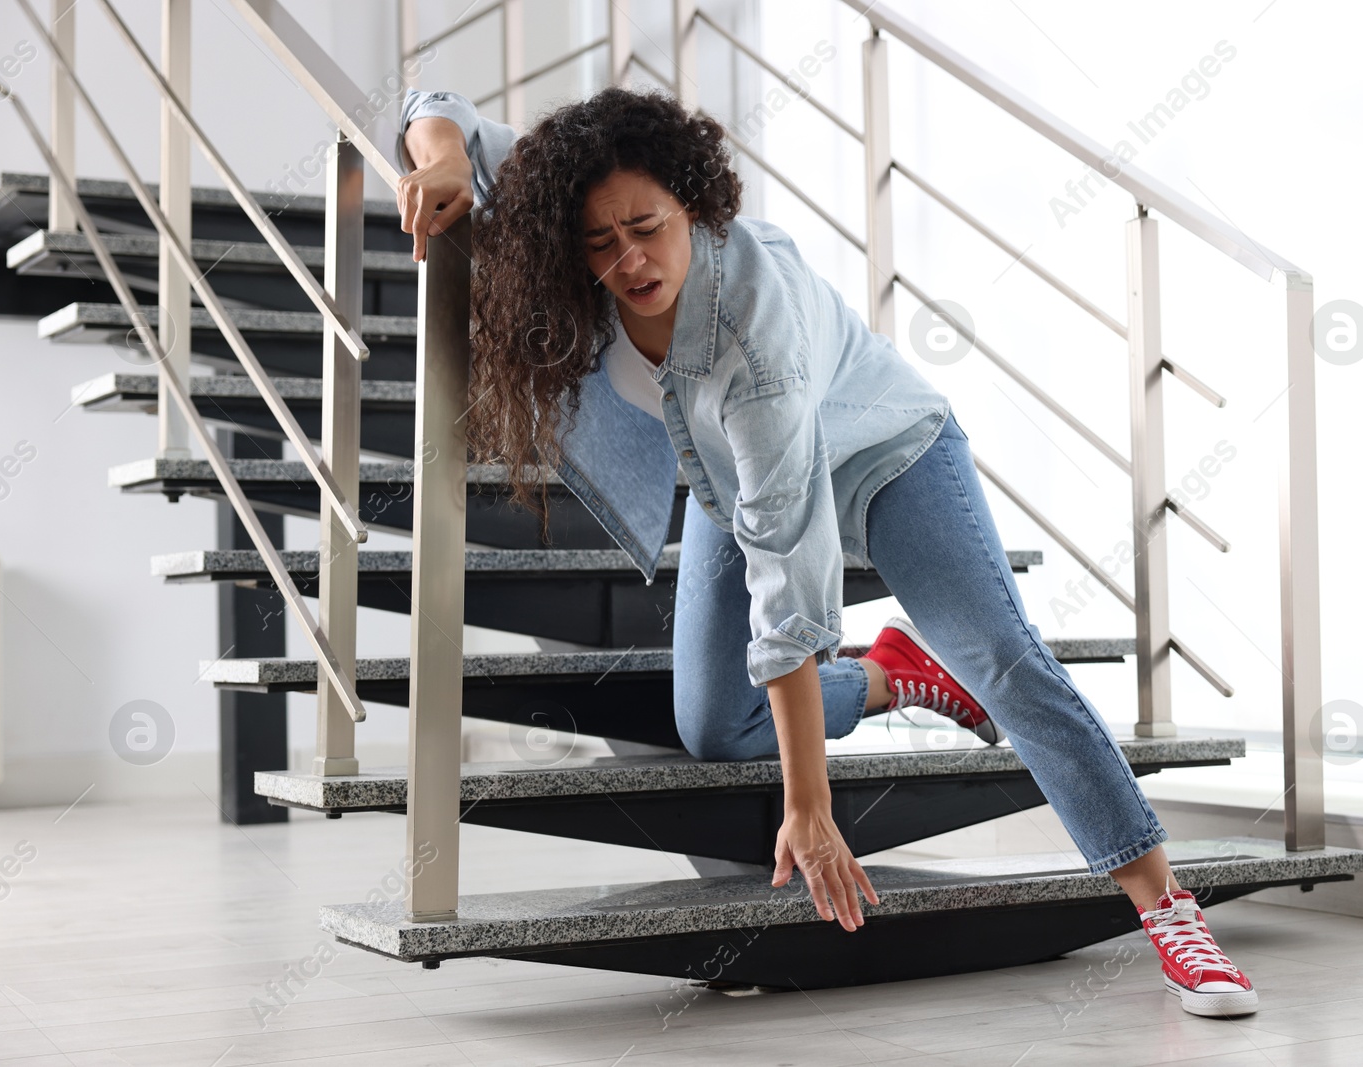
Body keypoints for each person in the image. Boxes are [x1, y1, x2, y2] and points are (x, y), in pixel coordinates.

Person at [394, 84, 1258, 1018]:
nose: (629, 258)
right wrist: (440, 158)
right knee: (714, 722)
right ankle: (895, 674)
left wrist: (810, 801)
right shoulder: (593, 216)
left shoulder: (751, 342)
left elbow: (791, 578)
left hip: (889, 453)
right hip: (732, 481)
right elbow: (432, 103)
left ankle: (1170, 911)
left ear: (694, 202)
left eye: (647, 227)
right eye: (600, 243)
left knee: (1004, 659)